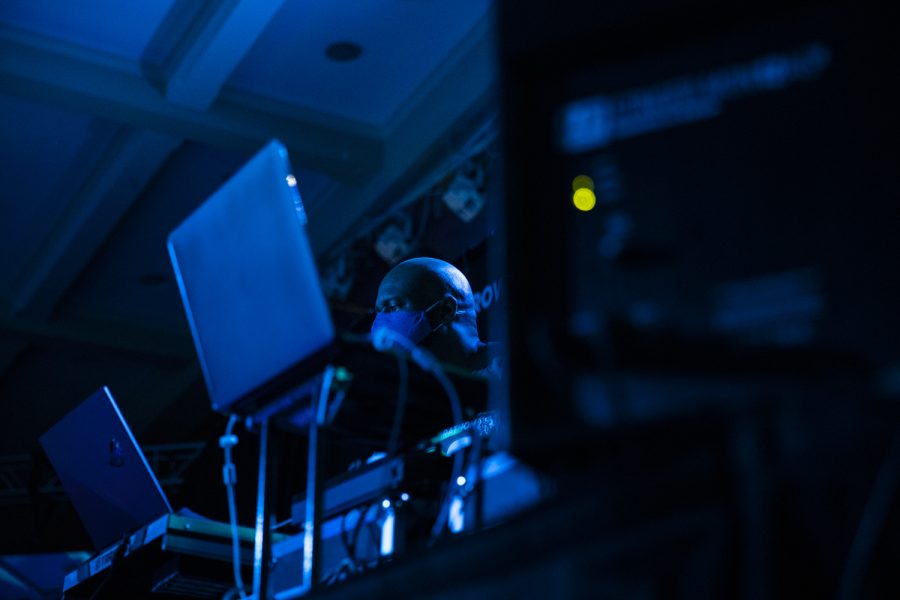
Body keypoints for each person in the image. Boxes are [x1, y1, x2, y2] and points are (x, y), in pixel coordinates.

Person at [371, 257, 499, 378]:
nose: (380, 323)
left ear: (445, 311)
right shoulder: (413, 394)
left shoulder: (511, 365)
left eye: (393, 308)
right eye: (379, 312)